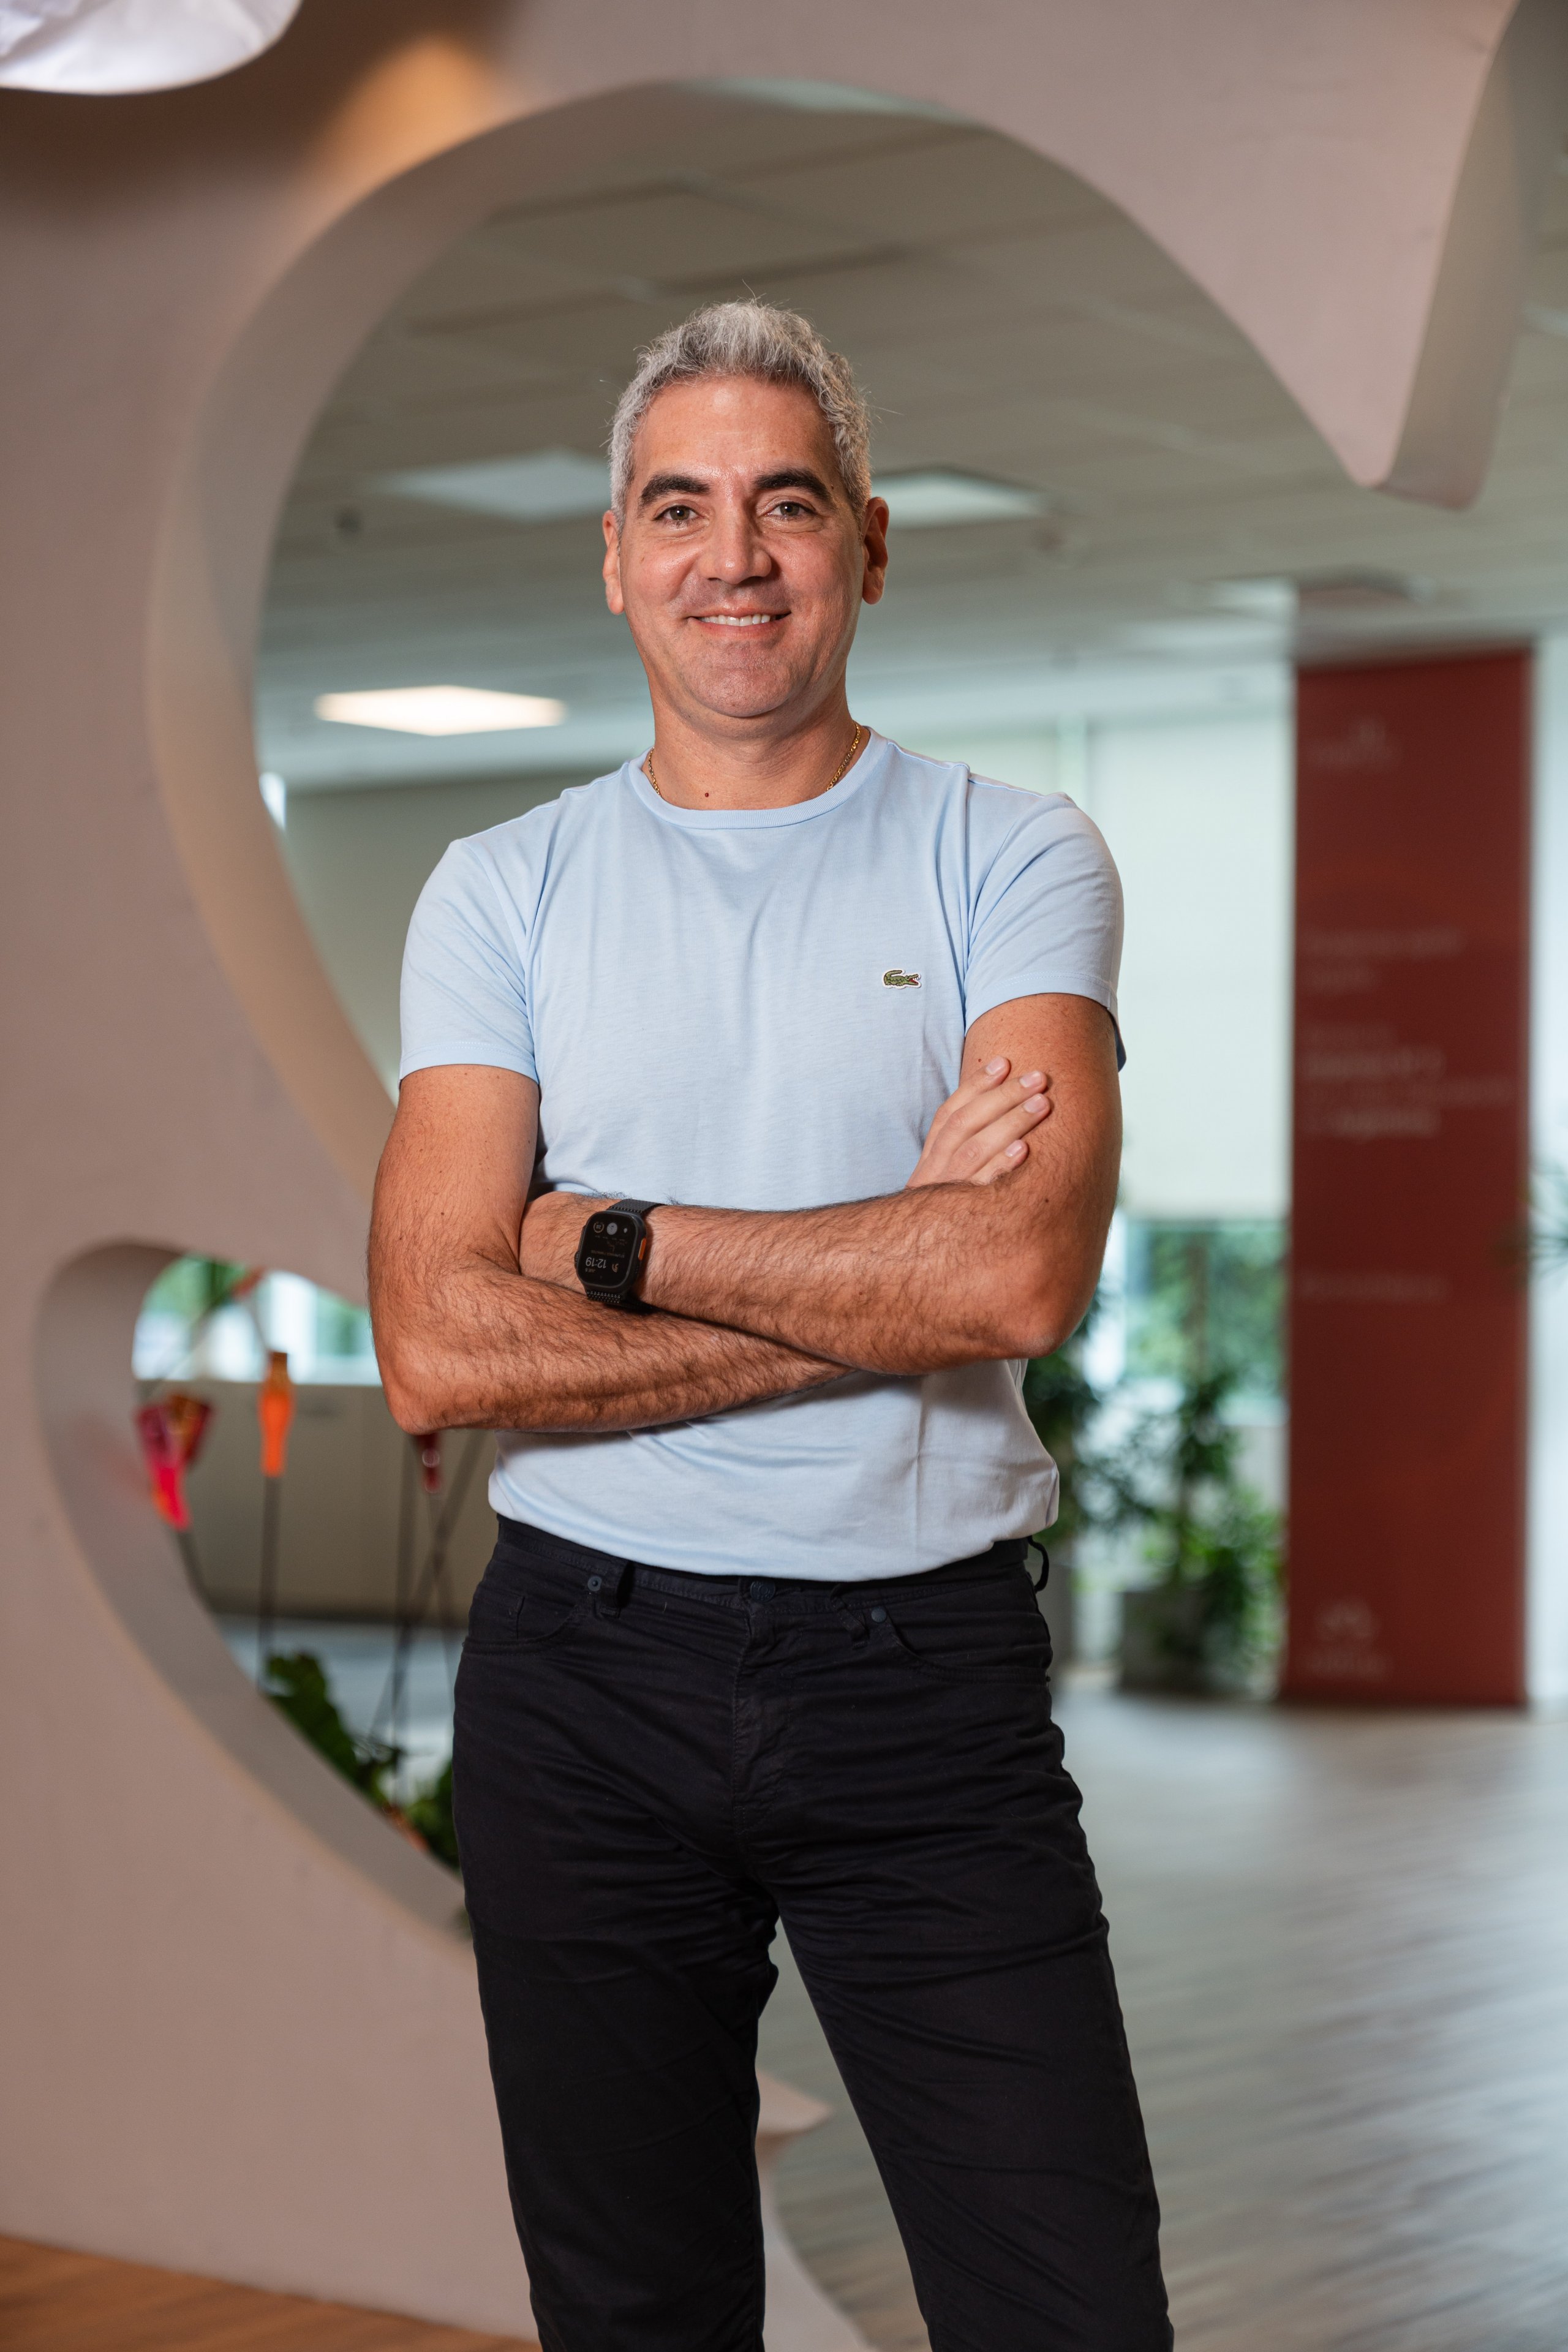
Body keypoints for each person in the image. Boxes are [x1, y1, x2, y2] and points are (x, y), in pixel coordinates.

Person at [369, 299, 1171, 2352]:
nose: (734, 556)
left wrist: (606, 1241)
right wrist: (888, 1265)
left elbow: (1016, 1279)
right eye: (680, 507)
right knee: (633, 2310)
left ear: (867, 546)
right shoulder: (502, 889)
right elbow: (439, 1349)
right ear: (616, 556)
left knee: (1069, 2312)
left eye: (787, 503)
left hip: (926, 1686)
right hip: (583, 1679)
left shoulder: (1012, 852)